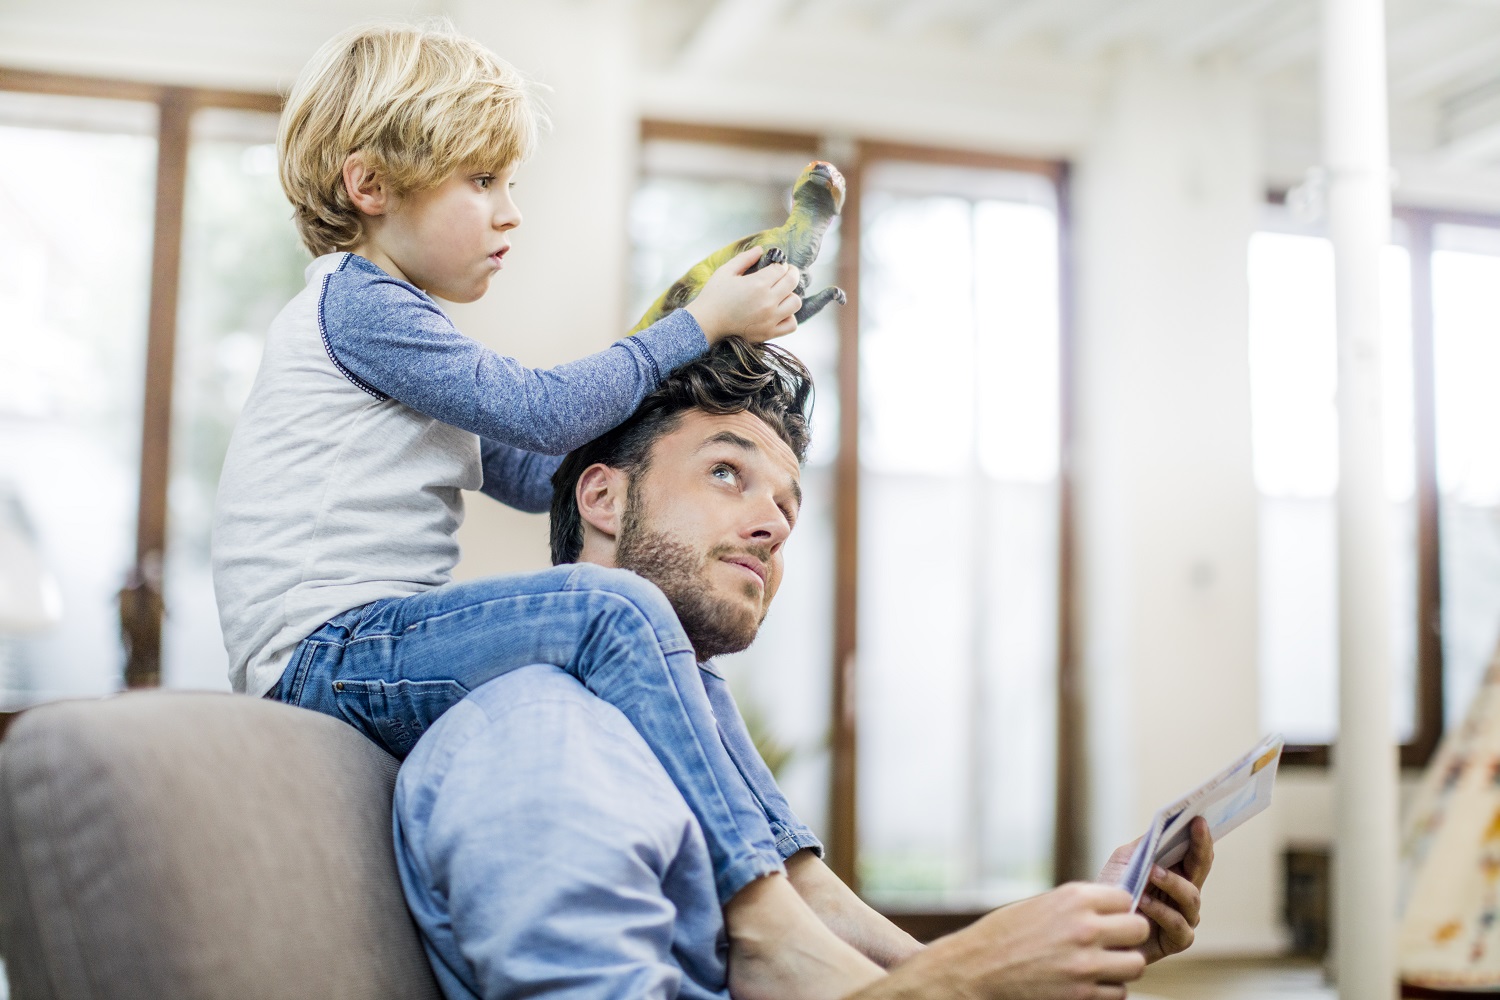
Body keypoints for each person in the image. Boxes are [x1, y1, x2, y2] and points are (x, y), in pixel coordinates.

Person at [210, 20, 876, 999]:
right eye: (481, 183)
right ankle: (764, 915)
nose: (510, 214)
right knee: (611, 607)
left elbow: (539, 472)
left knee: (666, 648)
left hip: (358, 641)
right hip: (325, 653)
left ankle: (808, 885)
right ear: (370, 187)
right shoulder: (362, 305)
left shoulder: (408, 342)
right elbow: (541, 410)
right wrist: (692, 326)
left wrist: (689, 379)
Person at [393, 338, 1215, 1000]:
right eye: (726, 473)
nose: (771, 526)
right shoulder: (544, 738)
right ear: (603, 499)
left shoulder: (685, 731)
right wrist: (963, 982)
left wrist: (1066, 945)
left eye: (787, 505)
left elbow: (823, 959)